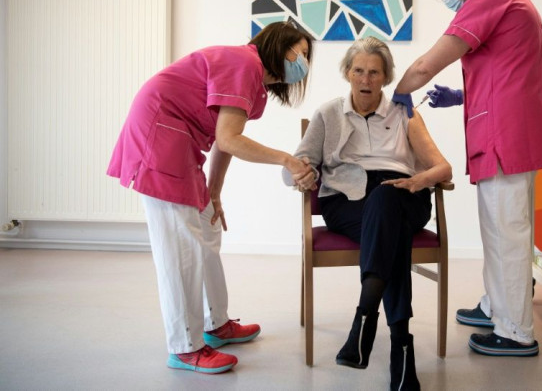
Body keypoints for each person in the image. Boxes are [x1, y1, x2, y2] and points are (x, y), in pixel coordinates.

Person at [107, 21, 315, 374]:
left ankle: (215, 324)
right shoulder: (246, 64)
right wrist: (287, 159)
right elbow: (230, 138)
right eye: (301, 53)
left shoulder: (252, 78)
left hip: (179, 142)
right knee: (181, 249)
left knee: (207, 229)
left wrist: (214, 191)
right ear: (279, 47)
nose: (303, 63)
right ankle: (185, 347)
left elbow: (224, 138)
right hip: (160, 138)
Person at [391, 0, 542, 357]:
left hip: (506, 135)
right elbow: (506, 72)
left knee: (506, 233)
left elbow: (428, 64)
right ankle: (493, 306)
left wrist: (396, 93)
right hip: (508, 127)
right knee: (498, 227)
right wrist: (460, 97)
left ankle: (516, 330)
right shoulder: (508, 0)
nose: (448, 1)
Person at [284, 37, 451, 390]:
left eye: (374, 73)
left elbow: (443, 169)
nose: (365, 79)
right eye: (358, 71)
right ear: (347, 73)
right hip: (347, 201)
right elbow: (295, 166)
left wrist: (419, 180)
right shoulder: (328, 114)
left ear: (386, 77)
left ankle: (364, 322)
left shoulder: (404, 112)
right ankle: (400, 349)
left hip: (404, 195)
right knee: (390, 225)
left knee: (386, 201)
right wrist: (302, 172)